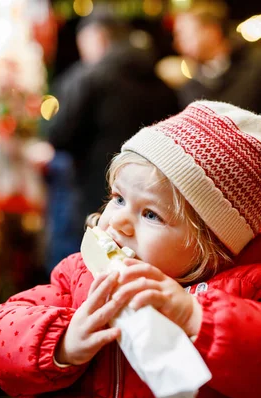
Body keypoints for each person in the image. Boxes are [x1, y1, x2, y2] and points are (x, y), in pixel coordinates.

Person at [0, 100, 261, 398]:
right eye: (119, 198)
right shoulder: (81, 278)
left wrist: (196, 317)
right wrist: (62, 344)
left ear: (211, 244)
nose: (119, 222)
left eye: (150, 214)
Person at [41, 9, 180, 276]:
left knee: (82, 270)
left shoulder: (91, 77)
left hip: (93, 196)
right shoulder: (162, 85)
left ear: (99, 38)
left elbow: (60, 135)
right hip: (151, 211)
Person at [172, 1, 261, 267]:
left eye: (184, 34)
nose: (177, 44)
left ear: (211, 31)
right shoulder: (191, 83)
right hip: (220, 211)